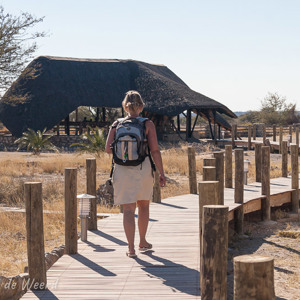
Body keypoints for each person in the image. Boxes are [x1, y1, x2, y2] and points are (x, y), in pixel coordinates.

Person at [105, 90, 166, 258]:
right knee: (143, 205)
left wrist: (125, 152)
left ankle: (130, 248)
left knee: (128, 209)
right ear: (141, 106)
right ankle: (143, 241)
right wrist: (161, 172)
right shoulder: (147, 124)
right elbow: (155, 150)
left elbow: (107, 149)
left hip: (122, 169)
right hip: (143, 168)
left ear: (125, 106)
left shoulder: (116, 124)